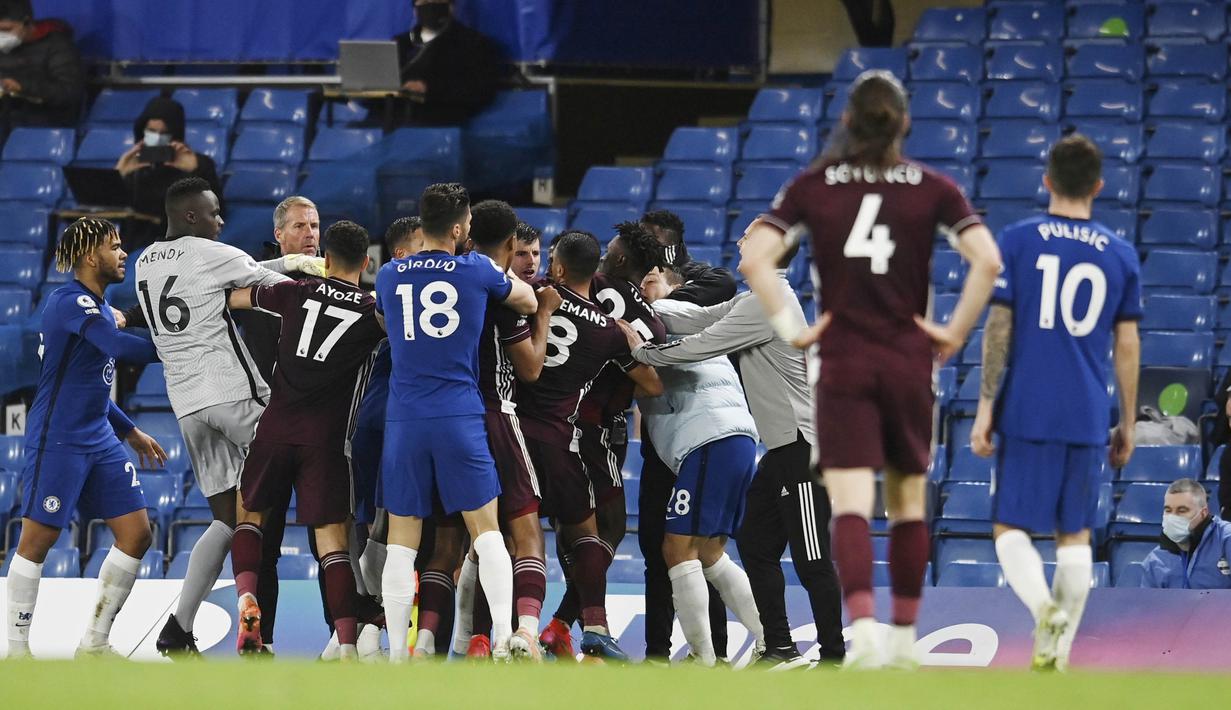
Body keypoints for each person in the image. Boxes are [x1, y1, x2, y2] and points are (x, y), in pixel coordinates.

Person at [739, 70, 1001, 670]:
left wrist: (794, 330)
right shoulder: (933, 187)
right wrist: (955, 331)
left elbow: (756, 257)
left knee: (852, 505)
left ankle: (863, 636)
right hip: (909, 361)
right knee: (908, 503)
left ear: (848, 122)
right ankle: (904, 639)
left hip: (844, 364)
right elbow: (987, 258)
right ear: (905, 123)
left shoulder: (814, 185)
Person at [628, 231, 845, 670]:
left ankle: (834, 658)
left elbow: (703, 344)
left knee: (812, 558)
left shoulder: (769, 302)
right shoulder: (756, 298)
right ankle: (779, 647)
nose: (742, 238)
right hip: (779, 451)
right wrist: (637, 309)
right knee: (756, 545)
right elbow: (700, 319)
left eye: (751, 235)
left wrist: (644, 352)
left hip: (802, 448)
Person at [130, 178, 323, 656]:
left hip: (187, 406)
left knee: (228, 520)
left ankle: (179, 625)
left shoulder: (144, 261)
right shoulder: (209, 252)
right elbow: (276, 283)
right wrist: (311, 274)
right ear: (192, 216)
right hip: (234, 395)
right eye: (215, 213)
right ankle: (345, 610)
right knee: (317, 468)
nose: (221, 221)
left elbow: (241, 271)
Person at [973, 134, 1141, 671]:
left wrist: (984, 408)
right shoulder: (1121, 253)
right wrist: (1129, 423)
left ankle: (1042, 607)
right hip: (1088, 410)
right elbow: (1129, 345)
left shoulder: (1019, 241)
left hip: (1028, 404)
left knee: (1009, 528)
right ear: (1098, 186)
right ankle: (1056, 656)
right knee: (1076, 534)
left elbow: (999, 326)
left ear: (1047, 180)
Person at [374, 183, 537, 663]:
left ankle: (399, 656)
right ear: (462, 227)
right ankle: (506, 634)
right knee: (487, 532)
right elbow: (526, 301)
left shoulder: (388, 273)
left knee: (403, 542)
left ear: (421, 225)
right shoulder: (477, 268)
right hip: (459, 413)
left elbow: (386, 323)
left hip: (404, 418)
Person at [5, 218, 166, 658]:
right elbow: (117, 348)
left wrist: (129, 430)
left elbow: (90, 384)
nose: (123, 254)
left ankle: (94, 645)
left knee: (137, 534)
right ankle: (16, 651)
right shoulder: (68, 303)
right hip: (57, 442)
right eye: (115, 247)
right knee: (36, 543)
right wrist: (176, 342)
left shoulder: (94, 308)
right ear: (91, 255)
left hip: (100, 438)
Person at [225, 220, 386, 658]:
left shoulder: (294, 292)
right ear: (367, 263)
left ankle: (246, 599)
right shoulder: (374, 312)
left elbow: (236, 296)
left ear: (325, 261)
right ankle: (348, 644)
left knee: (250, 518)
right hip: (326, 442)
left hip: (273, 430)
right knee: (332, 543)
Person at [515, 230, 662, 662]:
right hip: (576, 435)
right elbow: (653, 383)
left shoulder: (532, 294)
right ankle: (588, 627)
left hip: (511, 427)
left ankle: (502, 635)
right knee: (594, 531)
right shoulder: (620, 324)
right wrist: (629, 343)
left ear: (556, 265)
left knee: (510, 535)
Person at [616, 273, 764, 668]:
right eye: (641, 281)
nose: (644, 288)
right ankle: (772, 641)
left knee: (676, 549)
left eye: (652, 281)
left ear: (672, 287)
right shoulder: (684, 319)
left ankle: (703, 656)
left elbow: (652, 383)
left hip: (708, 438)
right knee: (712, 553)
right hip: (735, 438)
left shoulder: (660, 312)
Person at [444, 201, 559, 661]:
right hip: (496, 413)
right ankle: (523, 634)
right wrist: (544, 313)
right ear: (512, 245)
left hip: (445, 417)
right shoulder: (504, 291)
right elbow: (530, 368)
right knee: (525, 533)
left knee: (468, 539)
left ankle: (460, 641)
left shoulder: (449, 278)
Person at [637, 208, 737, 663]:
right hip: (663, 437)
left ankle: (714, 647)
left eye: (653, 246)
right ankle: (657, 651)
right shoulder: (635, 285)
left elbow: (722, 287)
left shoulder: (701, 281)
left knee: (699, 546)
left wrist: (657, 296)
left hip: (698, 432)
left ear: (672, 247)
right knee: (656, 547)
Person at [229, 195, 325, 653]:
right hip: (264, 424)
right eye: (300, 226)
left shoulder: (337, 284)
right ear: (280, 235)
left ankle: (340, 641)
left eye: (315, 225)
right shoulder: (255, 275)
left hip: (320, 429)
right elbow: (219, 287)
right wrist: (284, 264)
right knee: (264, 539)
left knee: (329, 539)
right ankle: (259, 637)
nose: (310, 233)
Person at [114, 97, 222, 251]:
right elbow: (113, 208)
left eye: (164, 133)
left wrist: (197, 170)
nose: (157, 138)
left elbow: (216, 209)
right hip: (134, 246)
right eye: (151, 131)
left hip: (178, 246)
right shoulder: (135, 165)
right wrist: (119, 174)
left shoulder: (198, 163)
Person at [395, 0, 501, 125]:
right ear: (414, 9)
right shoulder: (400, 43)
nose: (430, 6)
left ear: (451, 6)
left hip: (442, 122)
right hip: (391, 120)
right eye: (424, 1)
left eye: (437, 1)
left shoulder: (474, 43)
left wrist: (427, 88)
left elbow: (480, 90)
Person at [0, 0, 83, 127]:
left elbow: (69, 92)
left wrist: (22, 87)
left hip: (45, 124)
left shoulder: (58, 46)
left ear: (26, 23)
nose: (2, 35)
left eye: (6, 29)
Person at [1142, 479, 1231, 590]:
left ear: (1203, 513)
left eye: (1182, 510)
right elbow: (1148, 605)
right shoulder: (1155, 560)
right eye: (1168, 510)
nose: (1173, 517)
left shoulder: (1226, 538)